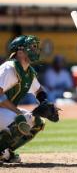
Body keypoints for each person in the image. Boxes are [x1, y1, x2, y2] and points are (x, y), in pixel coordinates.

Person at [0, 35, 56, 164]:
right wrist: (18, 112)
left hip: (3, 111)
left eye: (36, 47)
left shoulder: (28, 72)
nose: (35, 50)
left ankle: (5, 151)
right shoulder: (9, 68)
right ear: (19, 51)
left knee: (37, 122)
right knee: (21, 119)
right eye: (32, 47)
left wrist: (45, 103)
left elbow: (39, 90)